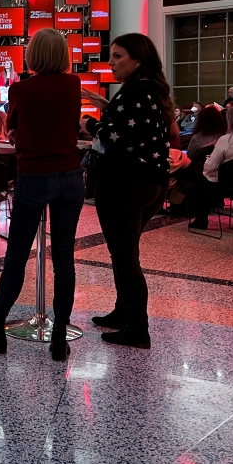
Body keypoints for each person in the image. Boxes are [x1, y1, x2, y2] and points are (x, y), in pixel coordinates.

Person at [0, 29, 83, 362]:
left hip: (34, 176)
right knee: (65, 259)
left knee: (16, 257)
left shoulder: (21, 89)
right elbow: (72, 125)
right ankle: (59, 336)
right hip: (71, 176)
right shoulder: (74, 86)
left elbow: (13, 128)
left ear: (33, 55)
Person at [83, 33, 173, 350]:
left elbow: (110, 139)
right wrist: (109, 108)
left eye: (118, 56)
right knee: (125, 254)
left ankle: (137, 328)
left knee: (125, 258)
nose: (111, 62)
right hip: (152, 182)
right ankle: (123, 313)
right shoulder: (150, 92)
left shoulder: (132, 92)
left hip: (125, 184)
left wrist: (89, 123)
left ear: (137, 59)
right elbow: (137, 132)